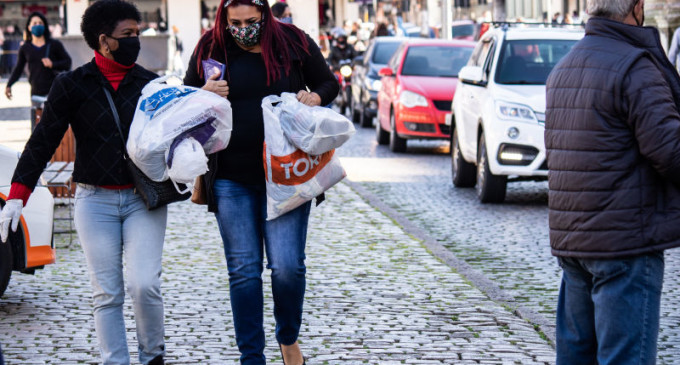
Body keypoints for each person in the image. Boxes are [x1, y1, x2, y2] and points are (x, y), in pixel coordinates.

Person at [0, 1, 168, 364]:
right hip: (95, 202)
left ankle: (153, 356)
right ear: (104, 41)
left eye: (137, 34)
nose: (136, 40)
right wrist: (17, 196)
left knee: (145, 285)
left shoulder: (151, 84)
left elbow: (173, 138)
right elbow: (43, 140)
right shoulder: (71, 85)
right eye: (128, 35)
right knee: (106, 293)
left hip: (144, 200)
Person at [183, 0, 338, 363]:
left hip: (286, 176)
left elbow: (328, 81)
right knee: (243, 271)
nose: (242, 28)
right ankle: (251, 356)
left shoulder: (292, 42)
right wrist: (203, 93)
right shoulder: (210, 45)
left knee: (287, 267)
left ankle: (287, 337)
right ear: (224, 18)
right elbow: (185, 99)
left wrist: (314, 97)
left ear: (265, 15)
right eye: (234, 22)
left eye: (250, 21)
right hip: (231, 178)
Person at [545, 0, 680, 364]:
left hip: (574, 243)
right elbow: (671, 152)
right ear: (636, 8)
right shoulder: (634, 67)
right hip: (624, 242)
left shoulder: (565, 66)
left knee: (575, 357)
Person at [4, 12, 71, 102]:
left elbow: (68, 62)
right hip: (36, 92)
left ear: (44, 26)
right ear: (29, 27)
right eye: (34, 23)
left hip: (55, 91)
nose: (38, 25)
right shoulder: (25, 48)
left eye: (40, 23)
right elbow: (18, 69)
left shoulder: (54, 44)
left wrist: (52, 64)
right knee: (37, 116)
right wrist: (9, 85)